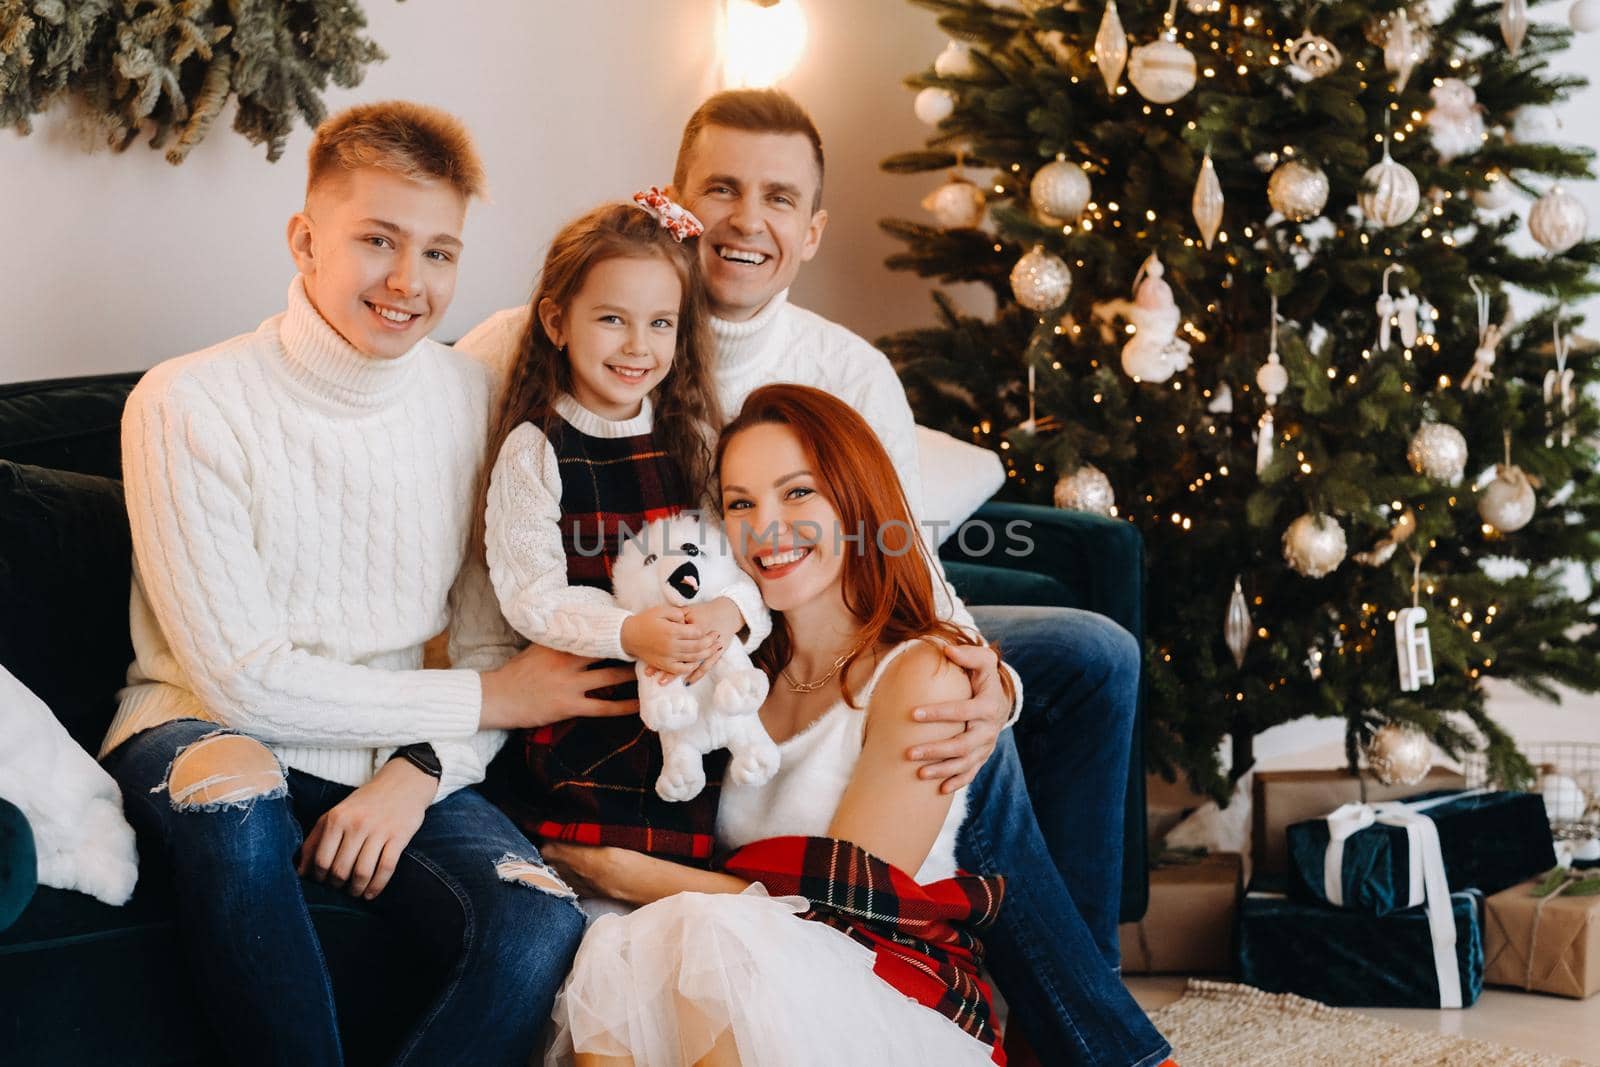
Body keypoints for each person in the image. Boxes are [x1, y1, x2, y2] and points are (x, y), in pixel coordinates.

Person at [458, 89, 1171, 1065]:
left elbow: (900, 549)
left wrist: (987, 681)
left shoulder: (845, 365)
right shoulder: (553, 331)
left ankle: (1081, 1016)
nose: (748, 219)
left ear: (809, 228)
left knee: (1057, 663)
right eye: (722, 188)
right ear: (675, 200)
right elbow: (472, 522)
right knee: (959, 712)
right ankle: (1099, 1043)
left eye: (778, 198)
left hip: (806, 617)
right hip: (677, 647)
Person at [98, 102, 631, 1067]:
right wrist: (483, 698)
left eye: (439, 253)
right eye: (377, 241)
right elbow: (243, 679)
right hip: (201, 724)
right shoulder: (187, 401)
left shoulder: (473, 401)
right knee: (236, 796)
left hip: (397, 740)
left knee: (541, 923)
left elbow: (484, 644)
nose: (407, 281)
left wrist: (419, 770)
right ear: (305, 241)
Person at [542, 383, 1011, 1066]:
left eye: (798, 493)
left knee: (698, 939)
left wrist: (625, 873)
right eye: (740, 504)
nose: (766, 528)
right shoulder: (735, 669)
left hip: (878, 982)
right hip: (735, 965)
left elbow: (851, 911)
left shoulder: (922, 674)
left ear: (855, 502)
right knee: (618, 951)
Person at [475, 199, 769, 890]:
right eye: (612, 319)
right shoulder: (535, 448)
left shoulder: (692, 437)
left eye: (659, 323)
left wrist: (733, 614)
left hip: (694, 719)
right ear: (557, 322)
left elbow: (743, 566)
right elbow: (530, 597)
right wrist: (629, 630)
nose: (638, 346)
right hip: (591, 723)